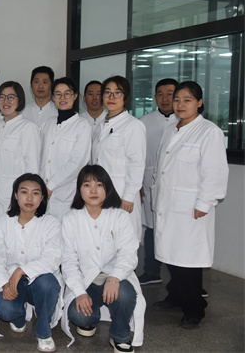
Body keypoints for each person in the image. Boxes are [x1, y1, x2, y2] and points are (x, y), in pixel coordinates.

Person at [152, 81, 229, 329]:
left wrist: (204, 203)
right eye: (177, 100)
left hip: (191, 208)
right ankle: (175, 296)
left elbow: (215, 173)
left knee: (188, 261)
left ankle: (195, 308)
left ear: (199, 102)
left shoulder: (209, 132)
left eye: (187, 100)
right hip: (168, 204)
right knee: (172, 257)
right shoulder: (171, 129)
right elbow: (162, 167)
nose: (180, 104)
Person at [61, 165, 145, 352]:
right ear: (79, 189)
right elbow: (68, 261)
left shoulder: (120, 216)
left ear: (107, 188)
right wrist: (80, 292)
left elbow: (129, 252)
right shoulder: (70, 219)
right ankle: (90, 320)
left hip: (114, 277)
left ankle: (120, 336)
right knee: (79, 314)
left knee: (125, 294)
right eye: (87, 185)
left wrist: (115, 277)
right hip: (86, 280)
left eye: (99, 185)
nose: (93, 190)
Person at [0, 174, 62, 353]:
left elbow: (52, 259)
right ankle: (18, 317)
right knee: (5, 309)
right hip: (10, 279)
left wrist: (21, 270)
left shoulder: (50, 223)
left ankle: (43, 332)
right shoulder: (1, 223)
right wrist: (4, 284)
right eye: (24, 192)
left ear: (42, 198)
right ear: (15, 195)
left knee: (48, 283)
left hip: (40, 280)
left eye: (36, 193)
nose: (29, 198)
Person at [0, 81, 41, 236]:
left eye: (11, 97)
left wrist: (28, 197)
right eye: (2, 97)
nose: (6, 101)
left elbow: (32, 168)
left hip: (13, 194)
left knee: (11, 236)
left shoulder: (28, 127)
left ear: (19, 100)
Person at [91, 75, 145, 242]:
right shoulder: (101, 126)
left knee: (123, 241)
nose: (111, 97)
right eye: (107, 92)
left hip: (122, 193)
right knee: (103, 241)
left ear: (125, 97)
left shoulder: (133, 125)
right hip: (101, 192)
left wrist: (129, 196)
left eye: (117, 93)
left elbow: (137, 163)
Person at [137, 78, 179, 285]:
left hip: (174, 185)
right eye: (160, 94)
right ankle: (152, 271)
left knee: (175, 230)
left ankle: (183, 281)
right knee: (152, 228)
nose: (165, 98)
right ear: (154, 97)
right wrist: (139, 183)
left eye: (170, 94)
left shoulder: (184, 121)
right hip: (148, 182)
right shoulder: (145, 121)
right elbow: (138, 155)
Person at [40, 77, 92, 222]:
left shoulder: (82, 126)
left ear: (75, 96)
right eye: (58, 94)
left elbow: (77, 163)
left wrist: (51, 185)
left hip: (67, 194)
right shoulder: (47, 124)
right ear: (52, 97)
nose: (62, 98)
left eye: (67, 93)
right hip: (44, 191)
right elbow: (41, 157)